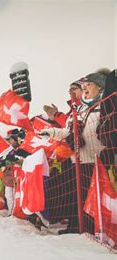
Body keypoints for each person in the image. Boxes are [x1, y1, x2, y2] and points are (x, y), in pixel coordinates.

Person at [41, 72, 106, 234]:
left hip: (95, 158)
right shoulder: (80, 110)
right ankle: (77, 226)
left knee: (91, 196)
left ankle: (90, 228)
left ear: (100, 86)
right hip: (77, 160)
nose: (85, 89)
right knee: (79, 195)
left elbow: (99, 131)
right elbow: (67, 131)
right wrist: (50, 132)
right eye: (83, 86)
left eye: (88, 85)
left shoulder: (103, 106)